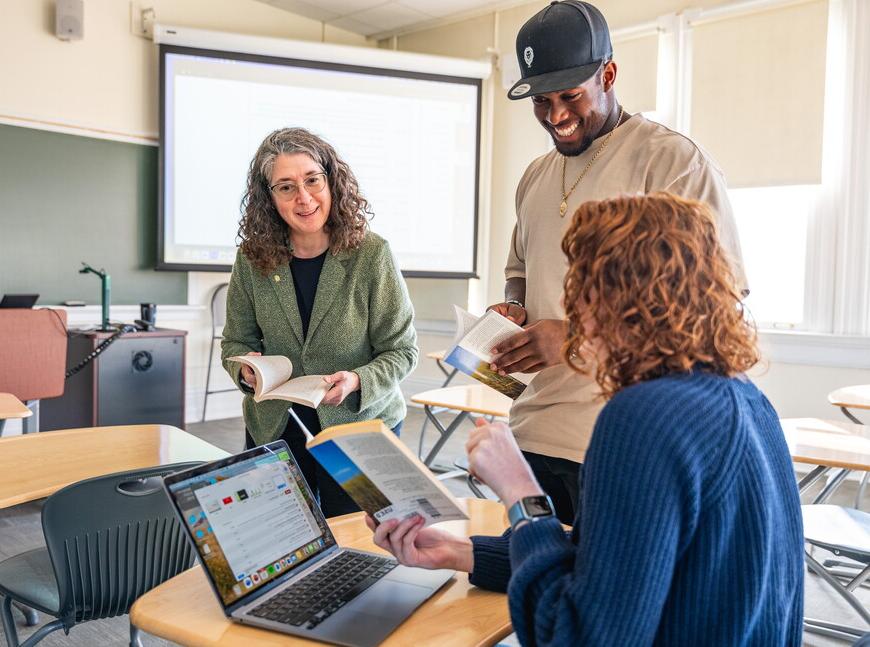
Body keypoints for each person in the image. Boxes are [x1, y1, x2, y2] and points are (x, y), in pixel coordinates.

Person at [368, 193, 804, 645]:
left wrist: (520, 492)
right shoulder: (747, 398)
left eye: (580, 282)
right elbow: (611, 567)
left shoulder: (641, 418)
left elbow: (579, 635)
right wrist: (463, 552)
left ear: (611, 296)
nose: (570, 302)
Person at [486, 0, 749, 523]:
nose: (556, 116)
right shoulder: (535, 176)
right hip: (533, 432)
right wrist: (513, 310)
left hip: (621, 436)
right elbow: (520, 269)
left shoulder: (672, 161)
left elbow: (719, 304)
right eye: (541, 101)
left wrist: (577, 338)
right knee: (521, 592)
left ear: (608, 74)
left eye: (570, 96)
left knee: (606, 598)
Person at [221, 127, 417, 517]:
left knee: (365, 539)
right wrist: (245, 371)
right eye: (286, 187)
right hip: (277, 426)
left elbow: (402, 351)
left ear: (332, 181)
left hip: (359, 425)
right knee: (284, 539)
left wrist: (357, 381)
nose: (304, 198)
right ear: (268, 198)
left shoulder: (371, 254)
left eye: (313, 180)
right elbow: (235, 343)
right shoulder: (252, 258)